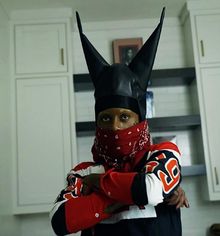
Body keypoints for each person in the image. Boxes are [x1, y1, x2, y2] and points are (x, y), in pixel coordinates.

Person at [50, 7, 189, 236]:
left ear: (139, 120)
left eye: (124, 117)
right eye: (105, 118)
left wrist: (97, 184)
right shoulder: (83, 173)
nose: (114, 126)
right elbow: (60, 220)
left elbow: (150, 190)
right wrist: (119, 197)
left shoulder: (162, 154)